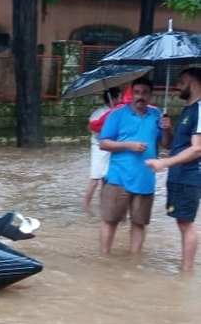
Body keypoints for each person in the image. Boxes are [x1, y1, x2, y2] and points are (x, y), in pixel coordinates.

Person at [98, 77, 172, 255]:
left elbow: (167, 145)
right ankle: (104, 257)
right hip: (118, 178)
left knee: (139, 223)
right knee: (110, 220)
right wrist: (128, 145)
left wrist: (168, 129)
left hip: (145, 179)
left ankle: (134, 260)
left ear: (151, 95)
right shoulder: (117, 114)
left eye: (144, 93)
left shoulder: (157, 115)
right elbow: (103, 143)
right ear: (132, 93)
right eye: (137, 92)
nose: (140, 96)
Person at [146, 67, 201, 272]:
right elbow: (173, 146)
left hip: (189, 176)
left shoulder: (200, 109)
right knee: (181, 222)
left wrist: (164, 163)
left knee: (186, 224)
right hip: (179, 175)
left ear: (193, 82)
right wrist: (168, 129)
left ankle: (186, 272)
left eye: (181, 82)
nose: (177, 86)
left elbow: (197, 149)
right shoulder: (189, 109)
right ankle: (185, 268)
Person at [84, 87, 121, 210]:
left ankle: (103, 206)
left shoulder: (117, 111)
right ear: (114, 98)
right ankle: (86, 207)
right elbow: (92, 128)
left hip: (112, 148)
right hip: (99, 148)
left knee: (107, 179)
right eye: (119, 97)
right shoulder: (99, 113)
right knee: (95, 179)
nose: (120, 99)